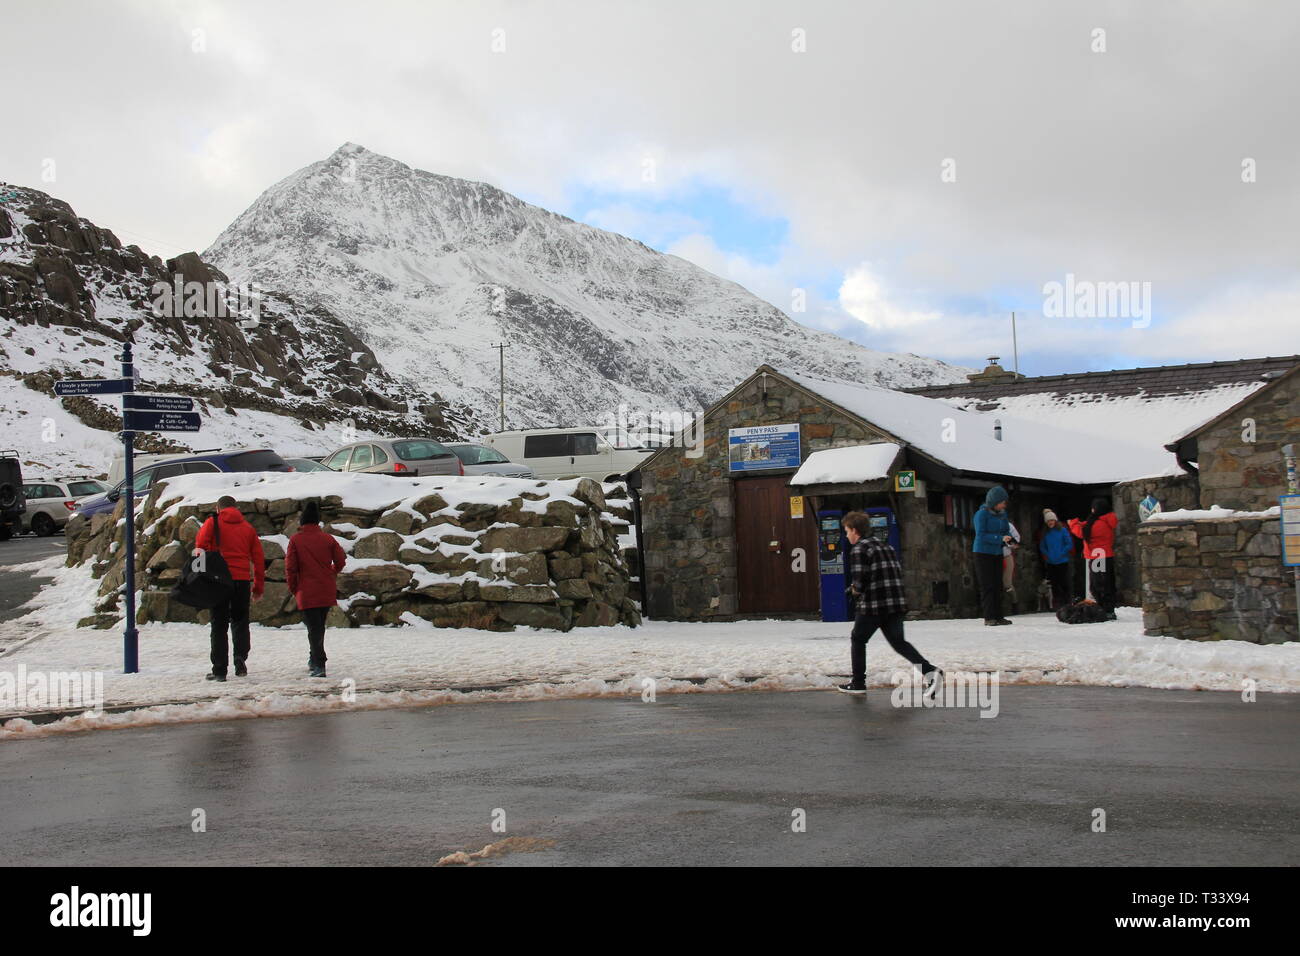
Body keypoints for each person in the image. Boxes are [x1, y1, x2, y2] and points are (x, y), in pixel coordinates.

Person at [836, 510, 941, 697]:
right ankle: (931, 672)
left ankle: (858, 682)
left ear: (854, 530)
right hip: (895, 604)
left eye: (846, 531)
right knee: (899, 642)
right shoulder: (886, 546)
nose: (846, 535)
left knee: (858, 639)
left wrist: (853, 590)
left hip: (873, 605)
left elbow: (860, 581)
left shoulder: (859, 549)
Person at [194, 495, 265, 681]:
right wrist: (258, 586)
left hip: (219, 580)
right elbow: (258, 559)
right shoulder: (247, 528)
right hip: (241, 581)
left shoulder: (211, 523)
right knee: (240, 621)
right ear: (236, 508)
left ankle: (219, 670)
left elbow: (199, 548)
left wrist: (200, 575)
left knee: (219, 625)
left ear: (218, 508)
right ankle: (240, 658)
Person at [285, 500, 346, 678]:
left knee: (313, 628)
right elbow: (341, 560)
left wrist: (293, 587)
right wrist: (332, 572)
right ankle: (315, 658)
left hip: (306, 589)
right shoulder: (328, 539)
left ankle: (319, 663)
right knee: (319, 626)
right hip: (326, 587)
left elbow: (291, 567)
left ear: (302, 523)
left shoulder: (296, 540)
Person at [972, 485, 1014, 625]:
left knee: (997, 584)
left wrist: (1008, 538)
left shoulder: (1003, 514)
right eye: (1002, 502)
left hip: (997, 552)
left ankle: (999, 616)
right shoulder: (981, 514)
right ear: (995, 501)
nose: (1004, 505)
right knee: (987, 585)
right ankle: (989, 617)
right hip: (983, 553)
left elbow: (1006, 530)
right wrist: (999, 539)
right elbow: (981, 535)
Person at [1069, 498, 1118, 615]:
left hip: (1098, 556)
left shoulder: (1098, 523)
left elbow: (1082, 532)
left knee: (1098, 584)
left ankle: (1105, 609)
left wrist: (1073, 523)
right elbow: (1088, 525)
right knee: (1105, 583)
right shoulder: (1105, 520)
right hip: (1104, 555)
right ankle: (1107, 609)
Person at [1038, 509, 1074, 610]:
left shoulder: (1062, 530)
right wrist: (1048, 554)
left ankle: (1068, 602)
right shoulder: (1045, 533)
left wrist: (1062, 552)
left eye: (1052, 520)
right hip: (1051, 562)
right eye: (1048, 521)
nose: (1050, 522)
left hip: (1062, 561)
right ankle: (1057, 604)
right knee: (1054, 584)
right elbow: (1042, 546)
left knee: (1064, 582)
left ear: (1055, 520)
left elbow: (1069, 543)